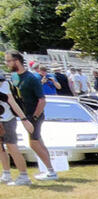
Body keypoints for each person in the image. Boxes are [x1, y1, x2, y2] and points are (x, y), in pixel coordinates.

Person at [4, 50, 57, 180]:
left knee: (34, 144)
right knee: (39, 142)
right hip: (25, 115)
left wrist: (33, 117)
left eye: (8, 61)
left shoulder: (31, 78)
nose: (7, 63)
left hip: (34, 116)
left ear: (17, 61)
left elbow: (42, 100)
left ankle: (51, 172)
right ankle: (49, 170)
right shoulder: (15, 77)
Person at [0, 69, 35, 186]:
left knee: (11, 146)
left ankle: (23, 176)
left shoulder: (4, 84)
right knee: (1, 148)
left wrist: (24, 119)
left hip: (7, 119)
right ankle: (6, 173)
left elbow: (13, 103)